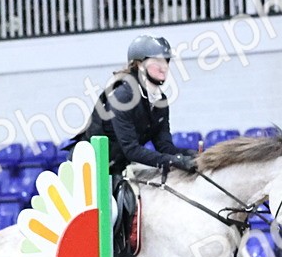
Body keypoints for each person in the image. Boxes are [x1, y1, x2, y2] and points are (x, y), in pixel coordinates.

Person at [73, 34, 198, 177]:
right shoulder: (122, 97)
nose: (164, 68)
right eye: (157, 61)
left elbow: (164, 146)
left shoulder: (160, 100)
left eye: (166, 61)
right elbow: (131, 150)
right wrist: (172, 161)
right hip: (89, 170)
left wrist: (189, 154)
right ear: (139, 64)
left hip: (117, 167)